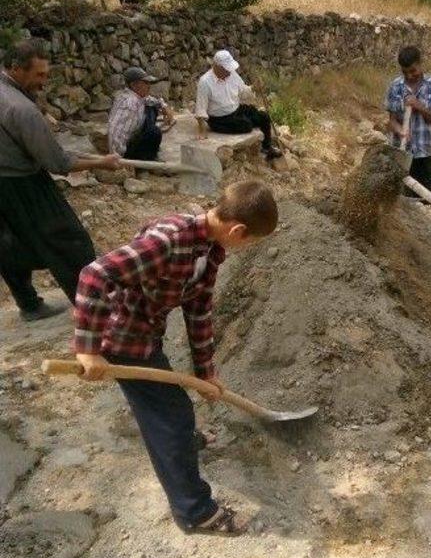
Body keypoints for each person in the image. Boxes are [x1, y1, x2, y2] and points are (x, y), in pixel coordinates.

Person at [73, 180, 278, 533]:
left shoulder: (210, 249)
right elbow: (95, 274)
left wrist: (206, 372)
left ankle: (181, 443)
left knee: (171, 412)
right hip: (123, 340)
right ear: (238, 230)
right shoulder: (169, 241)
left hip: (147, 335)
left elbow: (198, 311)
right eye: (253, 243)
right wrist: (88, 351)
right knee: (170, 417)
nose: (249, 248)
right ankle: (195, 512)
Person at [0, 39, 121, 321]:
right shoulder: (20, 109)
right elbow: (57, 161)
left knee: (7, 244)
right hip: (23, 185)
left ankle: (29, 304)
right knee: (70, 241)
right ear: (16, 69)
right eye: (39, 74)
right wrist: (101, 161)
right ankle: (95, 309)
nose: (44, 81)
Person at [385, 45, 431, 213]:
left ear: (420, 64)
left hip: (426, 153)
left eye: (413, 71)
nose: (410, 76)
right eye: (405, 72)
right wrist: (399, 130)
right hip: (402, 155)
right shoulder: (395, 87)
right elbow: (391, 122)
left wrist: (418, 106)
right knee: (399, 197)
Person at [195, 50, 282, 160]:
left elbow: (243, 92)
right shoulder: (205, 82)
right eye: (226, 68)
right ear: (217, 66)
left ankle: (267, 147)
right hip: (219, 119)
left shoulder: (232, 74)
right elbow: (201, 108)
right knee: (246, 125)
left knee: (264, 116)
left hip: (236, 109)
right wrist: (202, 130)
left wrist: (254, 87)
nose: (229, 71)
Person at [108, 67, 175, 161]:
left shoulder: (137, 96)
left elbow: (154, 101)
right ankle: (148, 158)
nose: (149, 86)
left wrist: (164, 107)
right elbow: (116, 133)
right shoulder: (129, 103)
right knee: (154, 132)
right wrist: (118, 157)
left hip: (133, 138)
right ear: (134, 85)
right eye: (145, 83)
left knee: (151, 107)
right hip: (125, 152)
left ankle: (148, 152)